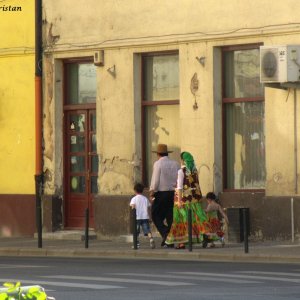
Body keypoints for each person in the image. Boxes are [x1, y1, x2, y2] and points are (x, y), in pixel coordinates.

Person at [165, 151, 210, 249]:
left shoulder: (181, 171)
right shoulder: (195, 170)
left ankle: (182, 242)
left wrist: (180, 201)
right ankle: (204, 235)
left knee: (182, 220)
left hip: (184, 200)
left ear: (183, 160)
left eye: (181, 159)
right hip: (195, 200)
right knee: (197, 219)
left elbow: (180, 187)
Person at [149, 144, 180, 247]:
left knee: (155, 214)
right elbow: (178, 178)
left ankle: (166, 233)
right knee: (170, 216)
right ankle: (169, 239)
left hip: (161, 193)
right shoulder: (175, 164)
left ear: (158, 154)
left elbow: (155, 179)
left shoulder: (158, 164)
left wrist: (152, 191)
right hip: (173, 193)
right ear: (167, 153)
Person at [130, 183, 155, 249]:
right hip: (145, 217)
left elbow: (133, 207)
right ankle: (151, 239)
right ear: (142, 190)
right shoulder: (145, 199)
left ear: (135, 190)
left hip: (137, 217)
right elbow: (149, 207)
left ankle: (137, 244)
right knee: (147, 230)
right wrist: (150, 217)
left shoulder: (134, 199)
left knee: (136, 232)